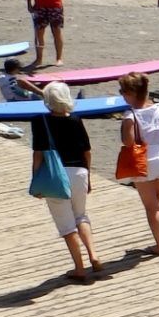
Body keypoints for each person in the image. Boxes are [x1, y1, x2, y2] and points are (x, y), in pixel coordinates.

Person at [32, 82, 101, 282]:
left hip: (56, 175)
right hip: (79, 171)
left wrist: (36, 180)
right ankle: (93, 254)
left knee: (66, 225)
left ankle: (79, 268)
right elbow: (87, 151)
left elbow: (38, 155)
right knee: (81, 215)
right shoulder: (76, 121)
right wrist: (88, 176)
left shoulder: (40, 121)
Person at [118, 71, 159, 255]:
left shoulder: (131, 116)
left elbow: (129, 142)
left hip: (144, 160)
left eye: (122, 91)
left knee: (150, 207)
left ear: (131, 93)